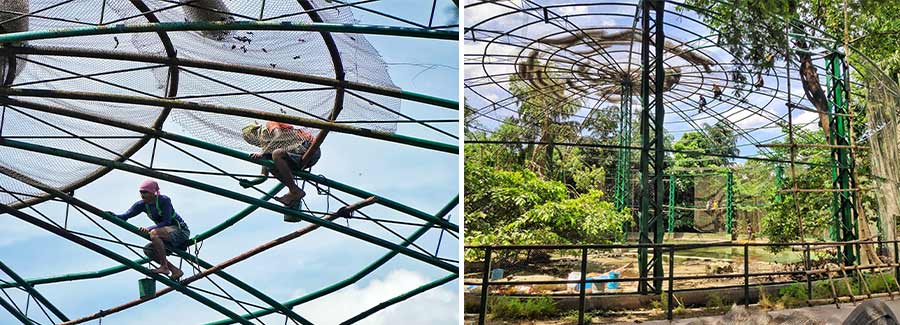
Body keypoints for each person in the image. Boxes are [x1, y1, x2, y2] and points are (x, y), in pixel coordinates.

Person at [108, 179, 189, 281]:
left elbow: (167, 222)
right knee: (149, 250)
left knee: (154, 234)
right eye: (141, 192)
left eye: (145, 192)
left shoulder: (164, 200)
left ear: (152, 192)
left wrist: (149, 228)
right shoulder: (141, 205)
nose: (143, 195)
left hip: (180, 231)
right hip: (166, 234)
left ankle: (164, 267)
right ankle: (174, 270)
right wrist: (112, 216)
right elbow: (125, 216)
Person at [242, 121, 321, 208]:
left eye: (252, 139)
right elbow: (263, 175)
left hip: (308, 148)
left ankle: (293, 191)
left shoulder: (270, 124)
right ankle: (294, 190)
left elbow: (278, 135)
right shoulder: (266, 147)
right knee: (270, 165)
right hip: (296, 159)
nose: (254, 142)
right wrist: (251, 183)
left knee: (276, 153)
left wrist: (263, 153)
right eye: (251, 142)